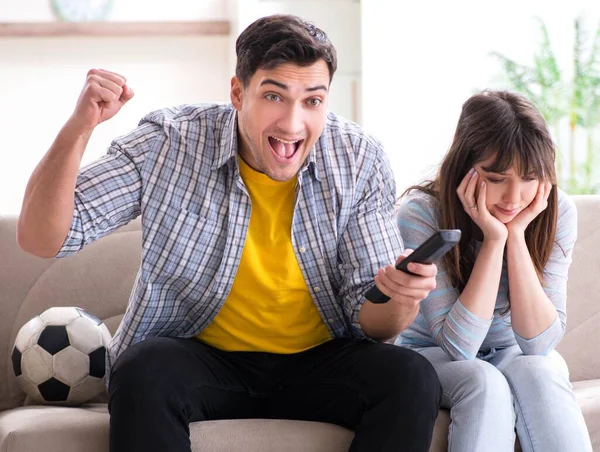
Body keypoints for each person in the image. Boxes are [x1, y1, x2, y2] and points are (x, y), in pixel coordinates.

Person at [17, 14, 442, 452]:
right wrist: (80, 127)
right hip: (202, 358)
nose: (293, 124)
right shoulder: (170, 142)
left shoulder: (358, 159)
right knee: (143, 368)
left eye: (312, 101)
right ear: (238, 93)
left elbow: (374, 324)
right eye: (274, 95)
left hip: (323, 361)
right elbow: (42, 238)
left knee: (411, 376)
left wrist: (401, 296)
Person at [395, 90, 593, 451]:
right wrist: (492, 241)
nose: (514, 197)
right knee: (483, 379)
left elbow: (540, 344)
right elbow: (459, 348)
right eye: (497, 177)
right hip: (430, 354)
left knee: (543, 371)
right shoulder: (421, 213)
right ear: (464, 169)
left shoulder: (556, 211)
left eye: (530, 177)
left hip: (513, 351)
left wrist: (515, 237)